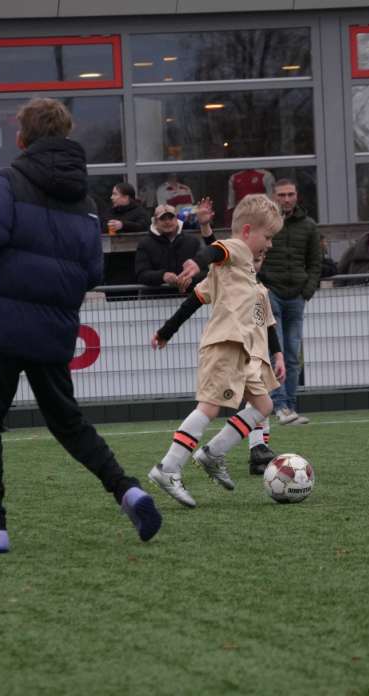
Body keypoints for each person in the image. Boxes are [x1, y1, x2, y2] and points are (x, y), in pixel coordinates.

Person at [0, 97, 162, 554]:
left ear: (22, 138)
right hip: (54, 327)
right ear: (66, 133)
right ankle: (126, 489)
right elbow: (93, 271)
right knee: (67, 421)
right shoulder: (85, 200)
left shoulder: (7, 180)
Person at [146, 194, 284, 508]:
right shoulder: (236, 248)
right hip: (225, 344)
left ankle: (213, 453)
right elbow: (216, 250)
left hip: (244, 352)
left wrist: (166, 331)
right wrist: (198, 260)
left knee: (263, 404)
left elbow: (195, 300)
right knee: (209, 407)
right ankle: (168, 468)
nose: (270, 244)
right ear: (247, 231)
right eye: (267, 237)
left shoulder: (245, 277)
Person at [259, 179, 321, 426]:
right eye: (282, 195)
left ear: (297, 196)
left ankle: (290, 406)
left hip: (297, 295)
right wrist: (262, 287)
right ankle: (280, 406)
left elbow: (315, 262)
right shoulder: (265, 223)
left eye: (290, 194)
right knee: (277, 352)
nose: (286, 199)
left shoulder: (309, 226)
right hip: (271, 293)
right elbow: (253, 255)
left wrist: (307, 290)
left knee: (293, 355)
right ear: (274, 197)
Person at [134, 202, 210, 296]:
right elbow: (141, 275)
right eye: (163, 219)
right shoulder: (144, 244)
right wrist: (162, 276)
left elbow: (206, 271)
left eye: (171, 218)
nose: (167, 222)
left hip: (190, 298)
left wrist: (191, 279)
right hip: (155, 300)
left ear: (177, 219)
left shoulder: (193, 241)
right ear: (155, 222)